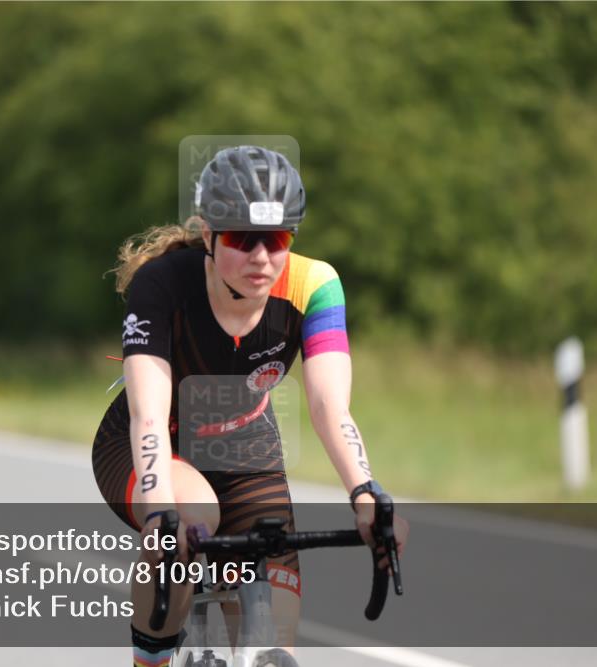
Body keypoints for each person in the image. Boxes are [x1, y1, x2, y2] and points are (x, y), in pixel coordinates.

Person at [92, 145, 408, 667]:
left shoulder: (315, 285)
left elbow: (331, 406)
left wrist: (366, 494)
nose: (261, 257)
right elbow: (148, 415)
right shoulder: (164, 284)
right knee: (187, 524)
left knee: (271, 644)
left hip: (245, 445)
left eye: (278, 238)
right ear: (209, 233)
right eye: (242, 238)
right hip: (153, 443)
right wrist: (157, 513)